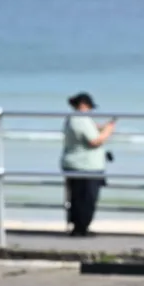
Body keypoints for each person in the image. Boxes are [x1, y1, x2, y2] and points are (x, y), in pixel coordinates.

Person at [60, 92, 115, 237]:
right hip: (85, 166)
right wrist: (109, 130)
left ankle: (80, 226)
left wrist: (104, 127)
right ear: (83, 105)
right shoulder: (80, 119)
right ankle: (80, 228)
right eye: (90, 107)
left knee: (78, 197)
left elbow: (93, 130)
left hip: (79, 164)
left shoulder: (75, 119)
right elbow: (94, 141)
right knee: (86, 198)